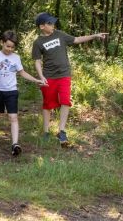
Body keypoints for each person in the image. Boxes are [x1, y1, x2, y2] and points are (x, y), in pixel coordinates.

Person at [32, 12, 108, 147]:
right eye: (49, 23)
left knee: (65, 101)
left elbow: (77, 39)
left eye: (53, 22)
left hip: (64, 75)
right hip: (48, 77)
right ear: (42, 26)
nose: (53, 25)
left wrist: (95, 36)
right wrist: (41, 76)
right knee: (48, 104)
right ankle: (46, 132)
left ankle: (61, 131)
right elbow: (37, 61)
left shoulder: (60, 35)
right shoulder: (38, 42)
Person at [0, 30, 44, 156]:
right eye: (8, 46)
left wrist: (36, 80)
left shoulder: (16, 58)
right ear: (2, 43)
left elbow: (22, 72)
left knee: (13, 117)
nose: (10, 49)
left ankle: (15, 144)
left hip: (11, 91)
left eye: (12, 47)